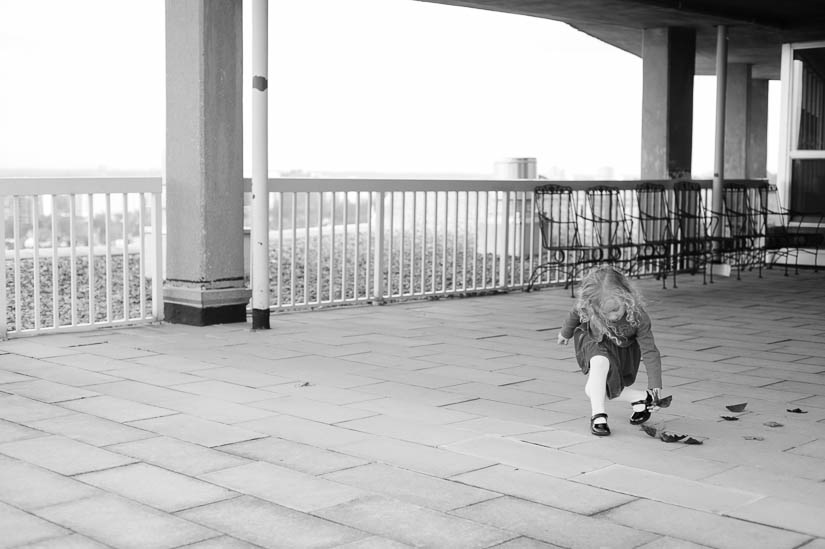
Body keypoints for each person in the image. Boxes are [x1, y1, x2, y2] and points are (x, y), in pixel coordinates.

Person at [557, 264, 664, 436]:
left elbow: (650, 351)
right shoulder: (590, 304)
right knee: (598, 361)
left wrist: (655, 386)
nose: (613, 316)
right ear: (594, 306)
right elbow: (576, 312)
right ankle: (598, 416)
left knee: (592, 390)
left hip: (620, 352)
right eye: (606, 313)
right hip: (594, 340)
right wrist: (566, 332)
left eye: (616, 310)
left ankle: (641, 397)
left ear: (626, 297)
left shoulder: (638, 317)